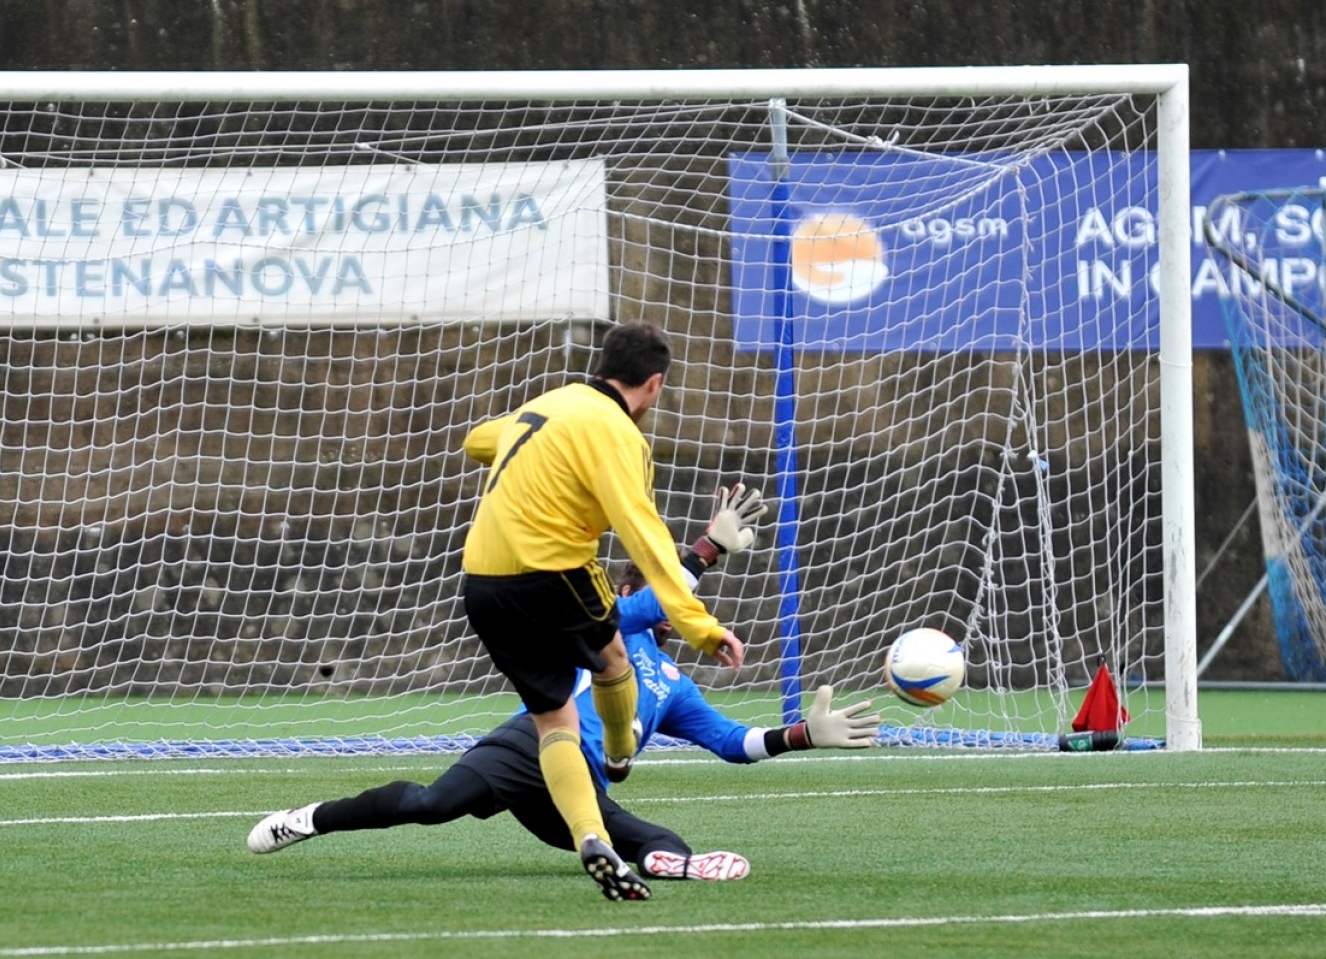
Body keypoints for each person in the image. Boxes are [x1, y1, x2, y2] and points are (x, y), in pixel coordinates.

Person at [247, 500, 881, 888]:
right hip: (533, 746)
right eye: (674, 597)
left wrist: (801, 735)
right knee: (432, 803)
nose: (686, 607)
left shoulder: (676, 685)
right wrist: (708, 548)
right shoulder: (613, 624)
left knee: (652, 839)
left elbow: (732, 743)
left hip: (580, 791)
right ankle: (309, 819)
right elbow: (656, 599)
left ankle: (672, 865)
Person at [454, 321, 745, 901]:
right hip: (553, 571)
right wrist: (699, 626)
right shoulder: (619, 434)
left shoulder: (553, 403)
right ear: (654, 384)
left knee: (554, 721)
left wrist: (527, 443)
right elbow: (645, 536)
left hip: (481, 581)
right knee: (614, 660)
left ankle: (591, 835)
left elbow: (476, 441)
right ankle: (618, 752)